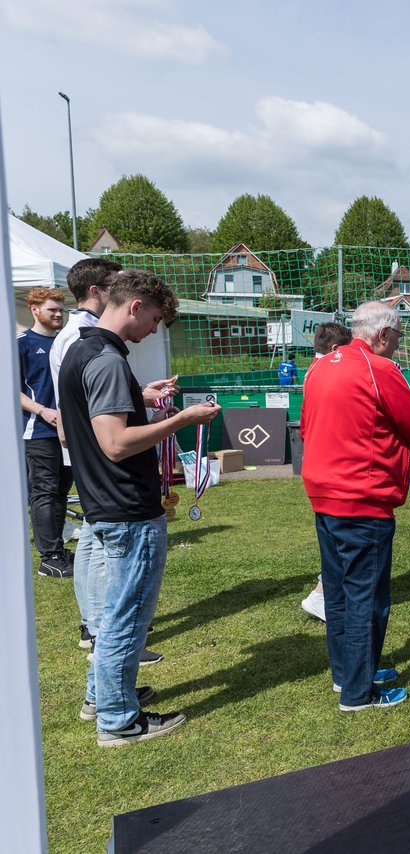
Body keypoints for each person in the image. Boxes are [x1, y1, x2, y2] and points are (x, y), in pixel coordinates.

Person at [58, 270, 221, 745]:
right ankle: (118, 719)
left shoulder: (81, 350)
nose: (154, 329)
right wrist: (184, 419)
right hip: (126, 508)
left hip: (103, 503)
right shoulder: (106, 359)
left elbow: (88, 422)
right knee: (127, 617)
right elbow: (115, 442)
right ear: (134, 306)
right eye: (154, 318)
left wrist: (140, 395)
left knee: (113, 615)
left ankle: (101, 696)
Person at [301, 301, 410, 711]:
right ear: (383, 334)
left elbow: (308, 427)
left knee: (339, 591)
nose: (398, 347)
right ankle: (358, 692)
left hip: (325, 493)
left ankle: (347, 673)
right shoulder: (379, 369)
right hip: (362, 496)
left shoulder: (320, 367)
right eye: (398, 337)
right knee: (367, 594)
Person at [51, 259, 122, 648]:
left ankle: (92, 625)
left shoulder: (75, 332)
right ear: (96, 291)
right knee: (99, 542)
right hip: (93, 448)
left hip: (83, 444)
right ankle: (98, 628)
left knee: (93, 539)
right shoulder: (83, 333)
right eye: (115, 285)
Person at [299, 321, 353, 622]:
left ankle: (325, 592)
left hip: (319, 462)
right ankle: (321, 594)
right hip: (333, 463)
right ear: (335, 350)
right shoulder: (325, 371)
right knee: (340, 534)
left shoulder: (313, 370)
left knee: (334, 533)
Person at [19, 287, 74, 578]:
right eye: (52, 309)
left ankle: (58, 549)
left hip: (69, 430)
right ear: (34, 310)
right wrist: (42, 410)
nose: (58, 314)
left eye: (60, 309)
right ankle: (49, 557)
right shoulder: (21, 343)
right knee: (44, 492)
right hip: (39, 431)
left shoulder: (66, 342)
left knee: (61, 492)